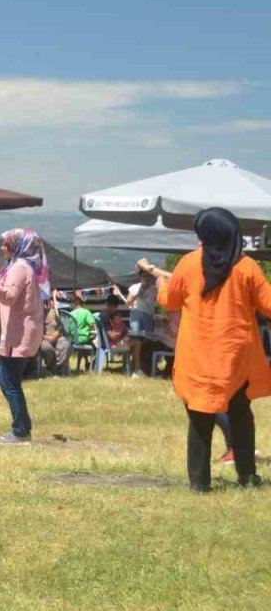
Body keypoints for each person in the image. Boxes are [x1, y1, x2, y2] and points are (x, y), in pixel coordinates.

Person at [139, 207, 271, 491]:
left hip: (198, 355)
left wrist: (162, 282)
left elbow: (170, 301)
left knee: (200, 418)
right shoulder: (246, 266)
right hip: (236, 357)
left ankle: (199, 483)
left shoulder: (188, 264)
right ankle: (247, 475)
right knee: (240, 414)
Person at [0, 229, 48, 446]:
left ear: (17, 247)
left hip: (19, 334)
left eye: (6, 243)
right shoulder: (25, 267)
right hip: (22, 332)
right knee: (7, 380)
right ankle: (22, 427)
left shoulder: (19, 268)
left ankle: (21, 431)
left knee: (8, 381)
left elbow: (7, 297)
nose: (2, 247)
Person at [115, 269, 160, 377]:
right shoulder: (135, 287)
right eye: (143, 276)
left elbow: (159, 301)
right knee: (136, 340)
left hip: (149, 315)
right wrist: (137, 295)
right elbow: (127, 303)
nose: (146, 278)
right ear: (140, 277)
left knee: (148, 342)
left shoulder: (154, 289)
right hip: (136, 314)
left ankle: (146, 367)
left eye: (148, 276)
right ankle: (135, 368)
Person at [38, 293, 71, 376]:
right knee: (45, 347)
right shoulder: (37, 314)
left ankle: (60, 368)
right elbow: (35, 331)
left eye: (49, 300)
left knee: (65, 344)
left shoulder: (55, 312)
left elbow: (60, 326)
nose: (47, 303)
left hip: (57, 336)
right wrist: (46, 337)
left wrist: (56, 334)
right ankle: (53, 366)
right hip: (43, 339)